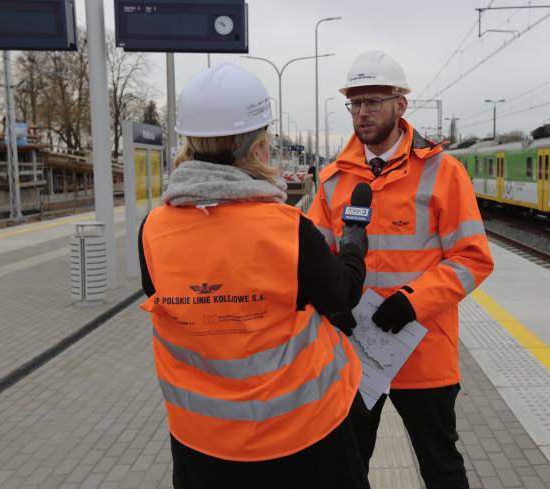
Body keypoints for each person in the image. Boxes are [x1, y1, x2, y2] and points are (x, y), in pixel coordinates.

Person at [138, 63, 371, 489]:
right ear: (259, 146)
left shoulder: (152, 229)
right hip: (302, 436)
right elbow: (343, 295)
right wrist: (354, 237)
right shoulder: (286, 228)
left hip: (200, 442)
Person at [307, 50, 495, 489]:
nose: (363, 112)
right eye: (355, 103)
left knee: (441, 467)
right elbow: (316, 259)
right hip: (354, 352)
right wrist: (329, 302)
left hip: (423, 348)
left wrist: (414, 302)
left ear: (400, 105)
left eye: (373, 101)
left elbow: (473, 257)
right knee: (347, 467)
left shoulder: (443, 172)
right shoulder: (333, 180)